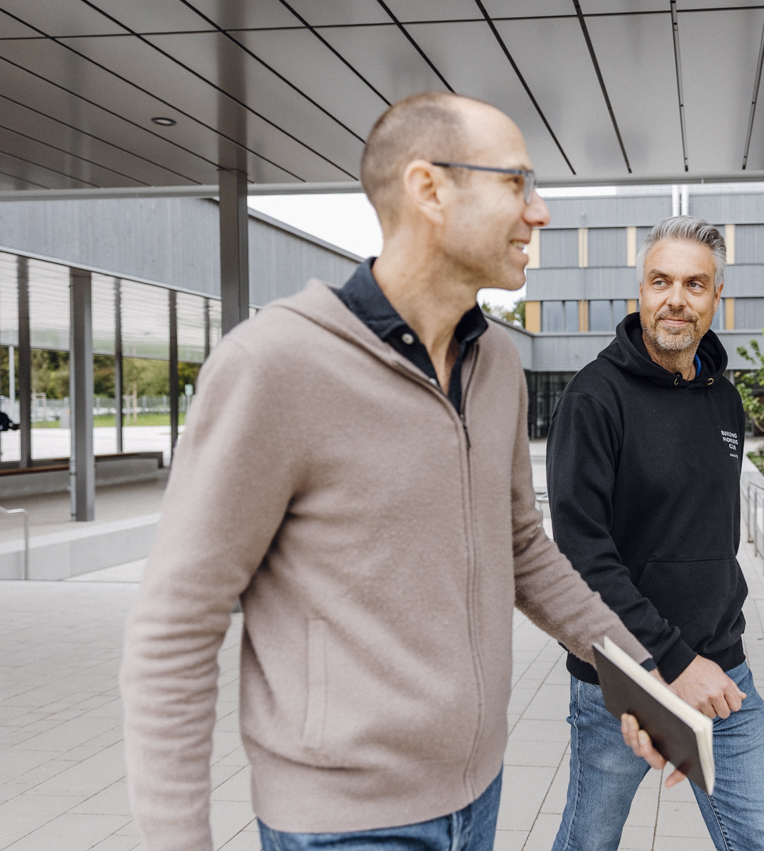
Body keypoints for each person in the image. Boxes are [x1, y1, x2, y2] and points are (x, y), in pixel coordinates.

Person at [119, 91, 662, 851]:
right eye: (516, 183)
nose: (538, 212)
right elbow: (175, 626)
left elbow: (522, 547)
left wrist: (637, 673)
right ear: (429, 189)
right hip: (344, 825)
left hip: (477, 795)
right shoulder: (276, 365)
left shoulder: (496, 362)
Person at [547, 216, 764, 851]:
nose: (676, 299)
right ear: (640, 292)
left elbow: (711, 533)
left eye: (694, 284)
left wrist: (705, 653)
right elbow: (583, 558)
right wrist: (671, 663)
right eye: (661, 281)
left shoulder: (722, 398)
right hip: (625, 680)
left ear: (716, 298)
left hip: (720, 673)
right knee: (589, 842)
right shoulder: (594, 400)